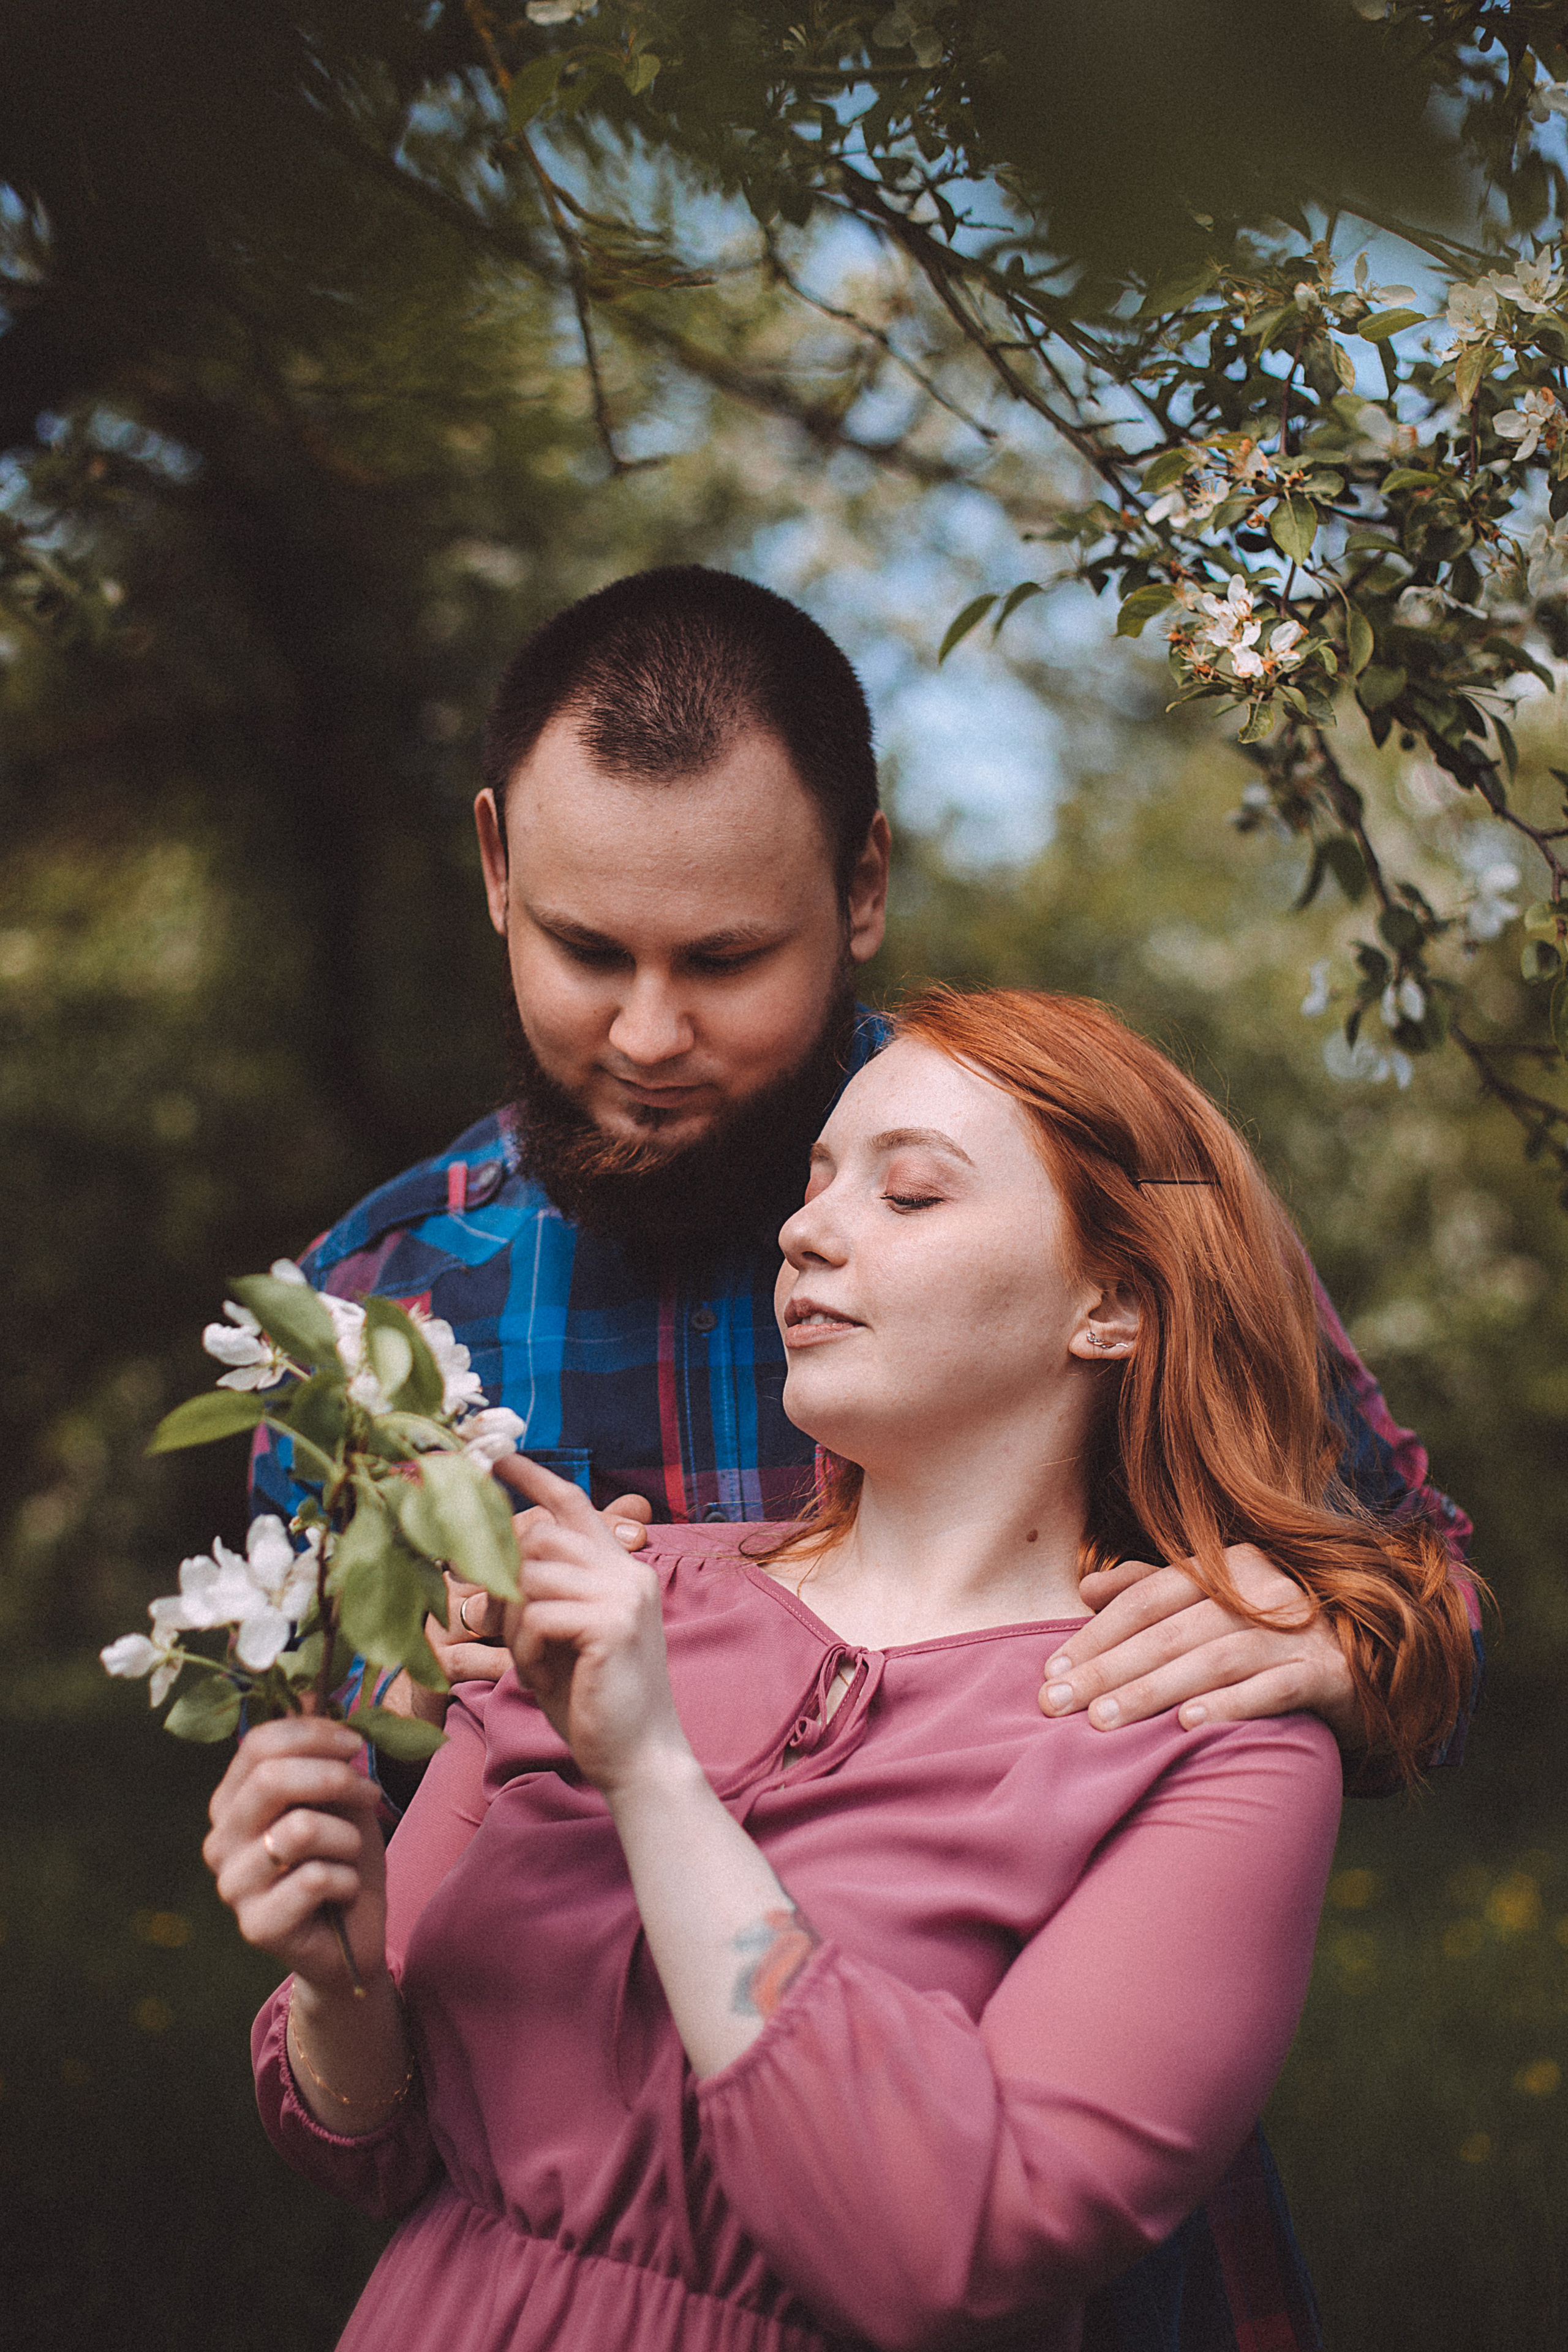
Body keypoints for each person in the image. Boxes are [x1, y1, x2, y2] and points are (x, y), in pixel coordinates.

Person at [246, 565, 1479, 2348]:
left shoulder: (1080, 1195)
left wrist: (1346, 1645)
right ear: (499, 869)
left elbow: (1414, 1582)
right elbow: (372, 1936)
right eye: (591, 951)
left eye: (727, 960)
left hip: (1067, 2254)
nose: (650, 1036)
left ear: (865, 885)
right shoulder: (371, 1319)